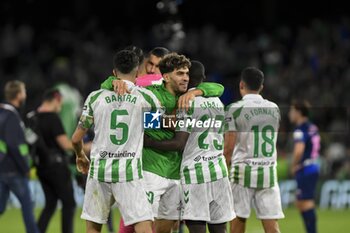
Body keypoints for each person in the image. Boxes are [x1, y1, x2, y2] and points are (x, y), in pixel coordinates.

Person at [101, 53, 224, 233]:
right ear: (166, 77)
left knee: (166, 228)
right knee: (138, 225)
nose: (186, 78)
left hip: (175, 173)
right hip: (151, 171)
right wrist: (113, 81)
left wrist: (198, 92)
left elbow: (217, 88)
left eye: (187, 74)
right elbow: (117, 84)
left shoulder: (188, 97)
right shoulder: (151, 93)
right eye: (180, 74)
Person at [144, 61, 235, 233]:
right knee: (219, 228)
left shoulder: (186, 103)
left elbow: (179, 143)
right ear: (204, 79)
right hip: (218, 172)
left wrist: (149, 141)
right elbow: (218, 89)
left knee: (196, 227)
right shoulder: (218, 102)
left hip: (195, 173)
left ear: (187, 78)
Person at [72, 50, 157, 233]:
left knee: (94, 227)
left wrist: (80, 155)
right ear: (137, 72)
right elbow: (154, 130)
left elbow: (76, 138)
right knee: (143, 226)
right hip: (129, 173)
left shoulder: (95, 98)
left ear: (114, 72)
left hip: (99, 171)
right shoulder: (147, 99)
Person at [224, 67, 284, 233]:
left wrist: (223, 170)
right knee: (272, 225)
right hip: (268, 172)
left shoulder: (234, 109)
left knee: (237, 221)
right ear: (261, 87)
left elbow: (228, 147)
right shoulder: (274, 108)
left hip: (242, 171)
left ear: (241, 84)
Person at [29, 88, 76, 233]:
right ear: (56, 99)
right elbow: (66, 145)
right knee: (69, 204)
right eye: (60, 102)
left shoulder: (32, 118)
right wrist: (86, 146)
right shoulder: (53, 118)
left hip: (41, 167)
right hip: (57, 167)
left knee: (50, 204)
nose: (60, 106)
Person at [0, 80, 39, 233]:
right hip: (14, 170)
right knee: (28, 207)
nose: (25, 95)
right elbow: (15, 145)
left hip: (2, 169)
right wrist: (25, 167)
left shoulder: (3, 113)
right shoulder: (11, 116)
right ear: (18, 95)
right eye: (23, 92)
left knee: (1, 207)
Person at [289, 100, 320, 233]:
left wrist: (294, 164)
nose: (290, 114)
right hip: (312, 166)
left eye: (292, 111)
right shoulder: (312, 127)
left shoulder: (300, 129)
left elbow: (299, 150)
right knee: (301, 203)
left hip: (305, 168)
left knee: (306, 202)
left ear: (298, 112)